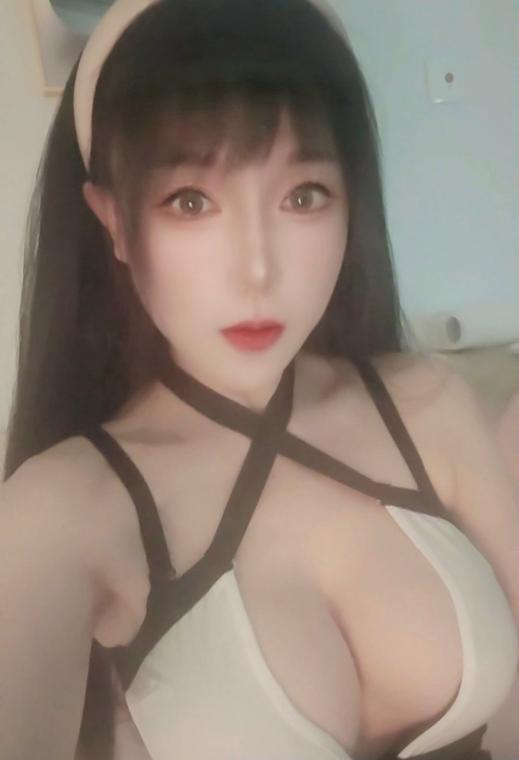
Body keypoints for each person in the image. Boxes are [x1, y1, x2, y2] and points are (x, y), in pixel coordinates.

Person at [1, 1, 518, 759]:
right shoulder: (60, 511)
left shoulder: (430, 404)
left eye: (302, 196)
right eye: (190, 201)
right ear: (111, 220)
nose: (257, 271)